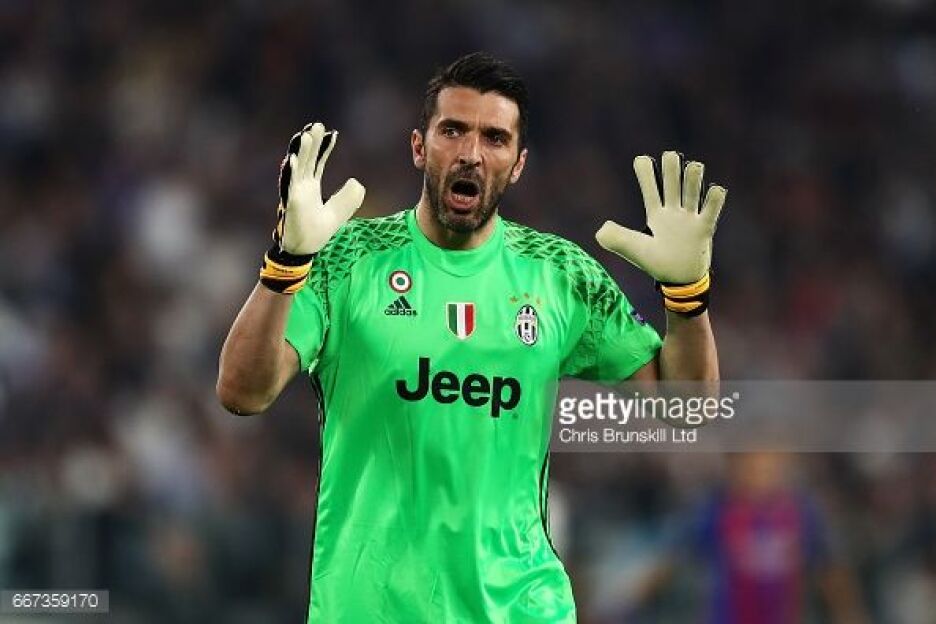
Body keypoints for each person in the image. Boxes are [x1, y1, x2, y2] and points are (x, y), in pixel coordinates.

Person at [217, 51, 726, 623]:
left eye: (495, 138)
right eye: (453, 130)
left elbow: (687, 412)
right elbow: (242, 392)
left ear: (518, 164)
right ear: (419, 147)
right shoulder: (347, 260)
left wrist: (687, 298)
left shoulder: (560, 274)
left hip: (521, 609)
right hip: (371, 609)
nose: (471, 153)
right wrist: (285, 265)